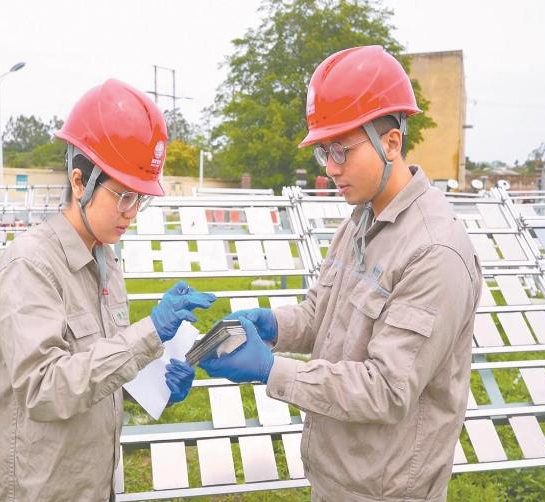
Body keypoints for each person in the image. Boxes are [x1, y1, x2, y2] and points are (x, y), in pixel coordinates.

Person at [199, 46, 482, 501]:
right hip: (336, 476)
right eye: (323, 152)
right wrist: (274, 326)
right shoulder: (360, 221)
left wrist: (272, 369)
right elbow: (322, 315)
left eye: (341, 151)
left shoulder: (435, 252)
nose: (330, 168)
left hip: (385, 491)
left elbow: (387, 389)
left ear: (391, 143)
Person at [0, 79, 215, 501]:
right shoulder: (29, 266)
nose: (132, 213)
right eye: (124, 196)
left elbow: (97, 367)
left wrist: (156, 380)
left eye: (141, 199)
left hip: (93, 482)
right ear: (79, 182)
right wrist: (147, 333)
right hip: (40, 489)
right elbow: (45, 388)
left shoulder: (105, 260)